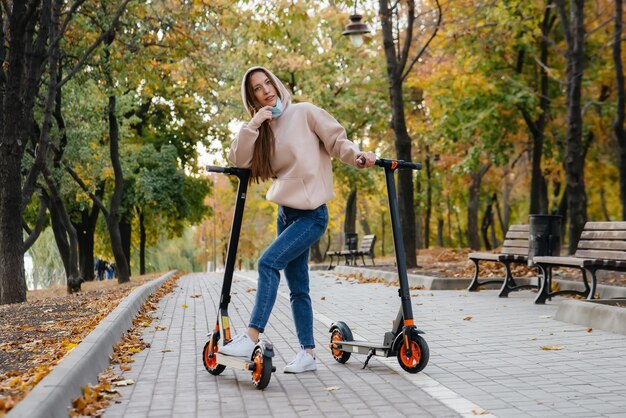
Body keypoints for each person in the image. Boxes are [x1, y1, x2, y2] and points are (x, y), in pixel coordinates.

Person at [221, 66, 376, 373]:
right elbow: (238, 160)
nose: (266, 90)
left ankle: (251, 334)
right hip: (286, 213)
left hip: (312, 215)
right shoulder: (262, 130)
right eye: (257, 88)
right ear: (251, 97)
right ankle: (308, 353)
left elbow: (337, 142)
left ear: (276, 84)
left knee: (267, 263)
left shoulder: (305, 113)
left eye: (268, 82)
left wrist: (358, 155)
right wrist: (253, 124)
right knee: (298, 286)